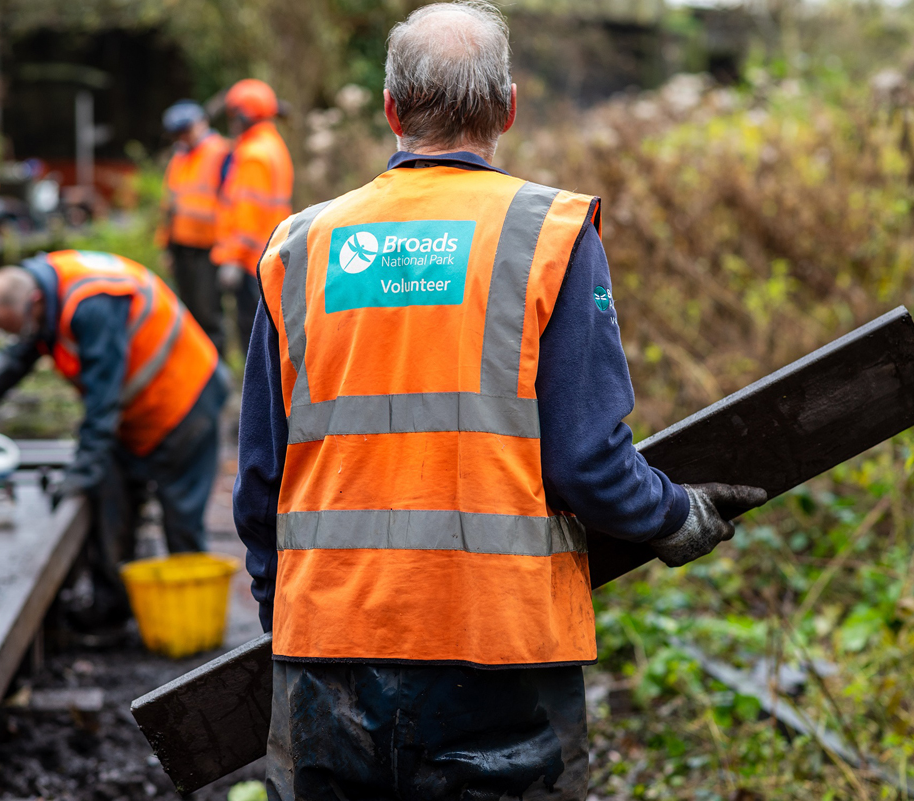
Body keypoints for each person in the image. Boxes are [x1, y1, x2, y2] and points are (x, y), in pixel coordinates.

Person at [233, 3, 766, 799]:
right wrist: (675, 516)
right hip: (496, 641)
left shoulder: (300, 246)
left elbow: (260, 475)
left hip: (330, 638)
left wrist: (288, 607)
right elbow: (586, 460)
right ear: (509, 107)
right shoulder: (548, 235)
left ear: (390, 110)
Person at [0, 250, 228, 628]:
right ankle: (115, 609)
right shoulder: (43, 285)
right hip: (140, 410)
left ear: (34, 303)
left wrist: (79, 475)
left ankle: (191, 632)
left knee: (180, 519)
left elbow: (102, 405)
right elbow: (26, 349)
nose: (24, 337)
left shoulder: (93, 306)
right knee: (113, 498)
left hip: (185, 401)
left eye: (21, 327)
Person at [210, 78, 293, 357]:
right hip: (267, 254)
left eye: (234, 113)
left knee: (253, 340)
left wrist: (233, 257)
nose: (231, 120)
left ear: (245, 114)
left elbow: (248, 213)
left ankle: (256, 398)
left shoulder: (253, 154)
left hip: (251, 261)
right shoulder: (271, 144)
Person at [157, 100, 232, 350]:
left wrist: (229, 249)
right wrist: (165, 247)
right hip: (180, 246)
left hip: (208, 247)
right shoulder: (179, 157)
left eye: (186, 131)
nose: (183, 137)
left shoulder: (220, 153)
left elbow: (233, 203)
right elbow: (169, 205)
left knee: (209, 314)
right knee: (187, 314)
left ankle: (217, 376)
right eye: (178, 133)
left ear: (202, 123)